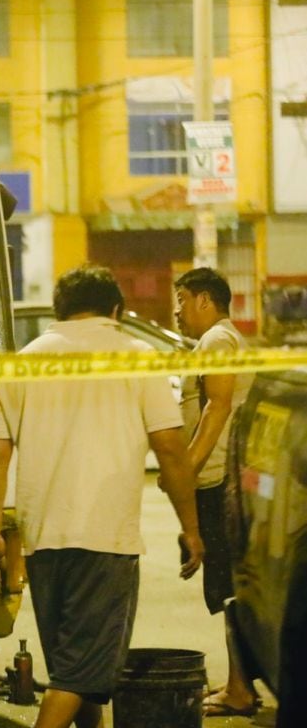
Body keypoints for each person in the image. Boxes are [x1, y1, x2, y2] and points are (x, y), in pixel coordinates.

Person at [0, 265, 204, 728]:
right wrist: (192, 528)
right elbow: (170, 450)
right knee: (79, 675)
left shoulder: (23, 361)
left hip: (43, 542)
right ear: (115, 310)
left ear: (59, 310)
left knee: (76, 669)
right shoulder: (137, 356)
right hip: (105, 540)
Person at [172, 267, 258, 718]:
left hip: (221, 478)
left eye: (182, 299)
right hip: (224, 476)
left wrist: (185, 468)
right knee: (229, 585)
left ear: (205, 299)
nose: (177, 310)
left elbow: (217, 407)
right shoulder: (221, 340)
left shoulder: (217, 341)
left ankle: (240, 690)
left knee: (228, 588)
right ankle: (239, 682)